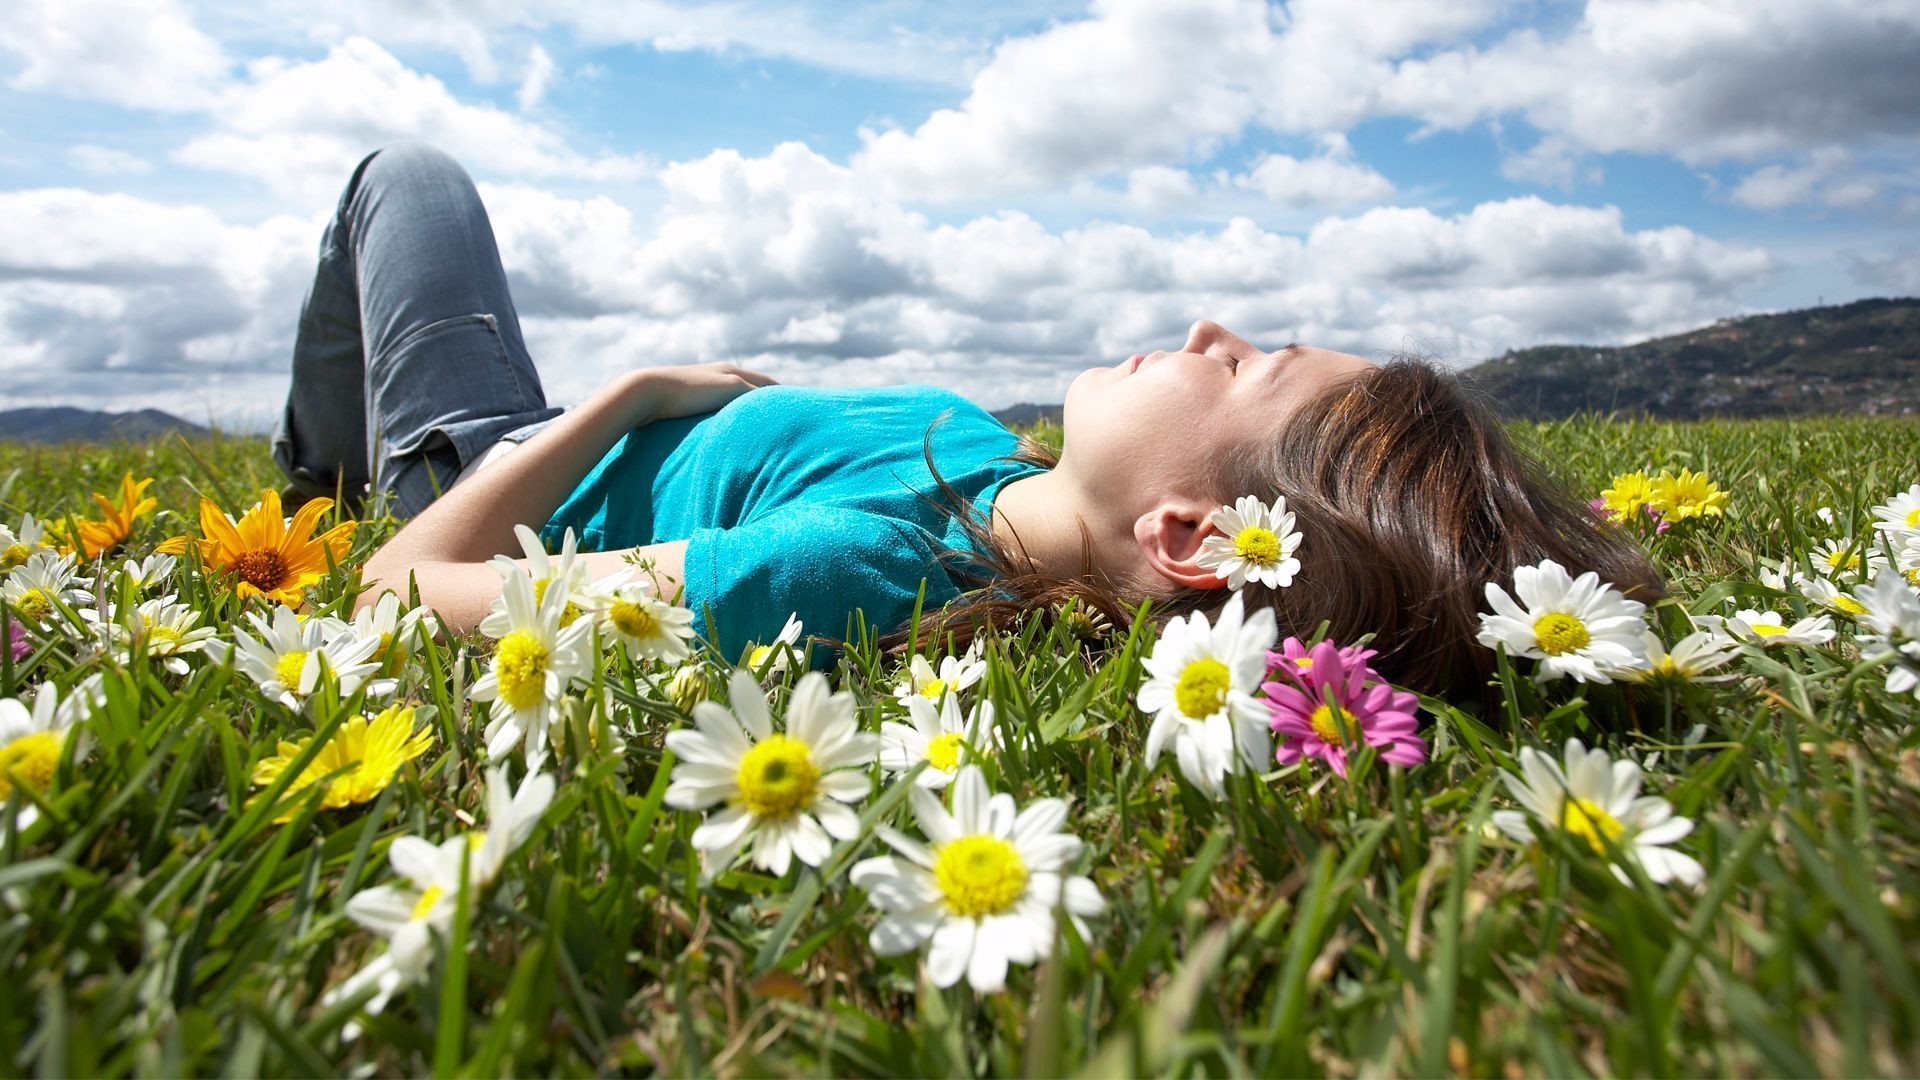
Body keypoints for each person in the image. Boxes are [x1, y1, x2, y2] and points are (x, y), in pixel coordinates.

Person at [282, 143, 1658, 706]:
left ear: (1188, 535)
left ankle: (321, 473)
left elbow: (401, 593)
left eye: (1247, 368)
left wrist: (631, 395)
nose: (1205, 332)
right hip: (570, 435)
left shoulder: (852, 571)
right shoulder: (986, 468)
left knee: (404, 181)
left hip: (488, 466)